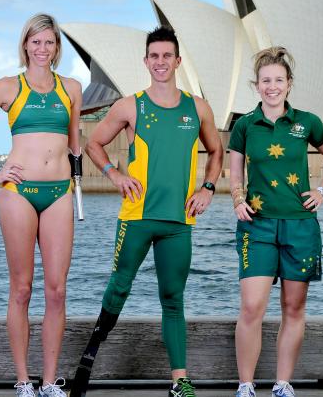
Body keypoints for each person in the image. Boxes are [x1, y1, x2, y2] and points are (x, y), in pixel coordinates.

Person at [78, 26, 223, 397]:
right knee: (119, 288)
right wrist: (114, 175)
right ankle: (87, 363)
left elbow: (216, 151)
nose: (160, 62)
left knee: (173, 299)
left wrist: (207, 188)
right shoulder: (130, 105)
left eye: (166, 56)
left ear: (177, 61)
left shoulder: (198, 107)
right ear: (146, 61)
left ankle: (180, 382)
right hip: (137, 216)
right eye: (153, 56)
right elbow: (93, 142)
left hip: (179, 222)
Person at [0, 13, 82, 397]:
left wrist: (82, 173)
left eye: (50, 42)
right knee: (22, 288)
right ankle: (24, 381)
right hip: (17, 194)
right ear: (25, 44)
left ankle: (49, 382)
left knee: (57, 290)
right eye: (36, 41)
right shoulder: (9, 86)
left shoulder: (71, 88)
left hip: (58, 192)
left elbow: (74, 142)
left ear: (57, 48)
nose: (42, 49)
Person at [229, 47, 323, 397]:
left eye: (279, 80)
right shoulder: (244, 125)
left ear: (289, 84)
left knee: (293, 307)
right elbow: (234, 174)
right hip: (257, 225)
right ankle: (245, 385)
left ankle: (282, 384)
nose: (272, 86)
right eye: (266, 81)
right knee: (251, 306)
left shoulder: (306, 122)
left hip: (299, 226)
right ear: (256, 85)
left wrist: (322, 190)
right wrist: (236, 199)